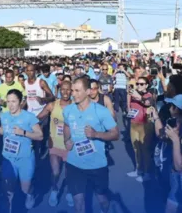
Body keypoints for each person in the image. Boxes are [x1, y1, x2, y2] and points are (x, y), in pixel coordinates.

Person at [63, 77, 119, 213]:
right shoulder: (68, 110)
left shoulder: (101, 111)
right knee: (78, 202)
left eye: (77, 90)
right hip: (74, 164)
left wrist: (96, 134)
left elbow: (115, 134)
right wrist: (66, 140)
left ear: (88, 91)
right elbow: (66, 125)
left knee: (102, 200)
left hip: (97, 164)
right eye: (72, 90)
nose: (73, 94)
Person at [0, 89, 43, 212]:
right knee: (8, 190)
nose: (11, 105)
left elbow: (40, 135)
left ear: (21, 102)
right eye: (8, 102)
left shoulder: (29, 117)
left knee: (25, 188)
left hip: (25, 158)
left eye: (14, 101)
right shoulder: (4, 116)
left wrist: (23, 132)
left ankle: (30, 194)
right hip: (8, 158)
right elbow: (2, 129)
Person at [36, 81, 74, 207]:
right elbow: (39, 117)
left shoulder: (76, 106)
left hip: (70, 147)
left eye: (68, 90)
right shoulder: (52, 105)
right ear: (59, 91)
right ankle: (54, 189)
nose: (65, 92)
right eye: (63, 89)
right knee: (56, 172)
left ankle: (69, 192)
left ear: (72, 91)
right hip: (54, 145)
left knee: (70, 173)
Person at [127, 76, 154, 182]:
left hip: (145, 125)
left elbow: (148, 103)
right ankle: (139, 169)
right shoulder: (133, 95)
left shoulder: (149, 95)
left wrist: (138, 96)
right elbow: (128, 107)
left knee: (145, 149)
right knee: (136, 148)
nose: (139, 85)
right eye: (137, 84)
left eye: (142, 84)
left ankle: (147, 172)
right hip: (133, 123)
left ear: (146, 85)